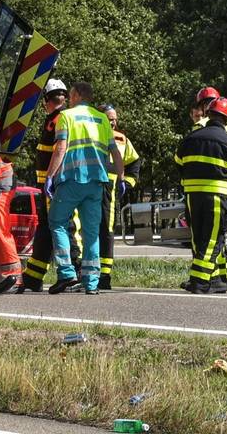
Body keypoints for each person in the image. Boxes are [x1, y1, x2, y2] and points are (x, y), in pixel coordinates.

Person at [43, 81, 123, 295]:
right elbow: (115, 152)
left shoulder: (67, 117)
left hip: (72, 180)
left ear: (77, 95)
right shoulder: (102, 119)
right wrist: (121, 177)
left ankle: (66, 273)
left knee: (57, 222)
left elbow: (60, 147)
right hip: (97, 183)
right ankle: (91, 282)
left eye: (71, 94)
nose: (69, 98)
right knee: (91, 233)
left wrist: (50, 176)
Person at [176, 97, 227, 294]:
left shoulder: (191, 137)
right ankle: (199, 281)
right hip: (217, 195)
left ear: (208, 115)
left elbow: (178, 162)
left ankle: (216, 279)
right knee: (213, 240)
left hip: (192, 196)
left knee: (198, 237)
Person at [18, 78, 81, 293]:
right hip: (51, 181)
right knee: (46, 226)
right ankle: (34, 276)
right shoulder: (57, 118)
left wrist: (50, 180)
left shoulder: (57, 119)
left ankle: (77, 270)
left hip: (53, 182)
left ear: (47, 100)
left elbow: (58, 150)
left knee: (62, 225)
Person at [97, 104, 141, 290]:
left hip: (111, 189)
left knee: (107, 229)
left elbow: (134, 161)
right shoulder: (92, 135)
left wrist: (128, 182)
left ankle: (104, 275)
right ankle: (84, 271)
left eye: (114, 118)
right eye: (109, 118)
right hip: (90, 185)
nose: (113, 122)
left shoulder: (122, 139)